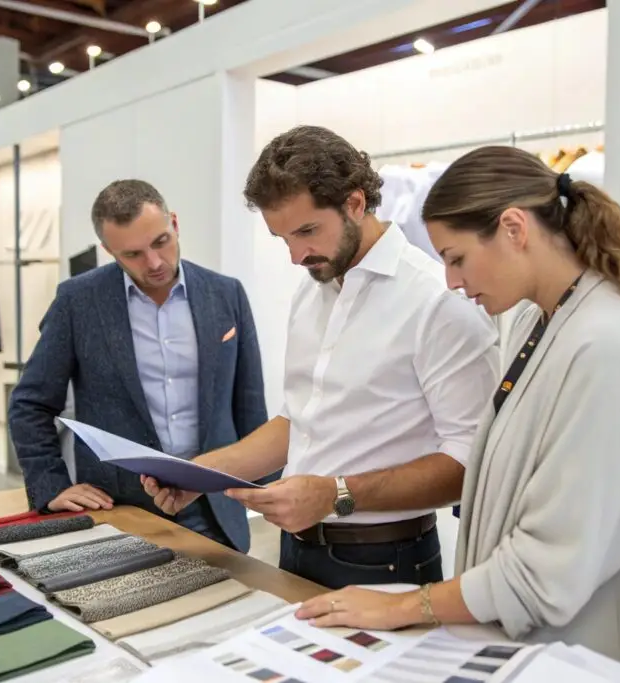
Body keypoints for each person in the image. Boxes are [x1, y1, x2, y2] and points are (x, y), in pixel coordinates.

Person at [293, 146, 620, 683]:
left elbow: (550, 567)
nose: (450, 280)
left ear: (514, 228)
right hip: (534, 640)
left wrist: (406, 606)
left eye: (457, 258)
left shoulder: (606, 346)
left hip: (594, 653)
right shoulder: (533, 321)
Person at [142, 125, 498, 589]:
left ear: (354, 203)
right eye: (282, 238)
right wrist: (202, 474)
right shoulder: (312, 294)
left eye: (307, 231)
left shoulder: (438, 302)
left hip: (386, 562)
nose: (295, 256)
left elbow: (472, 464)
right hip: (297, 549)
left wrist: (336, 495)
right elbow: (301, 421)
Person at [8, 179, 269, 553]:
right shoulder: (78, 301)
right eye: (132, 254)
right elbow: (30, 404)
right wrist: (52, 486)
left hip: (215, 511)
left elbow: (249, 403)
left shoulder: (226, 294)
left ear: (174, 224)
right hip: (119, 509)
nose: (154, 263)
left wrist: (265, 489)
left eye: (161, 241)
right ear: (108, 251)